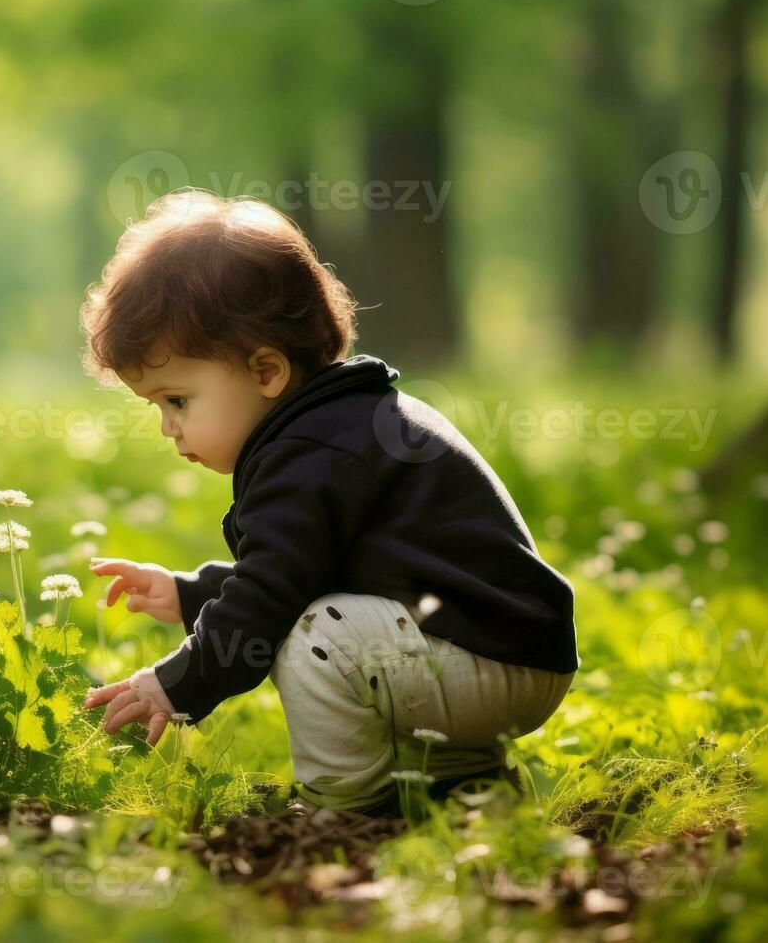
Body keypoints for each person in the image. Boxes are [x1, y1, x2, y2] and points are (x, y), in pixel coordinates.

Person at [79, 189, 579, 814]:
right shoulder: (340, 426)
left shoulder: (313, 450)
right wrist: (189, 593)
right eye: (156, 406)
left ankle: (348, 810)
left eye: (177, 400)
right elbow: (302, 569)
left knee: (317, 638)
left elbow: (274, 599)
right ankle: (468, 791)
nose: (167, 428)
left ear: (266, 372)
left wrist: (175, 684)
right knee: (329, 621)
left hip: (486, 658)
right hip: (500, 650)